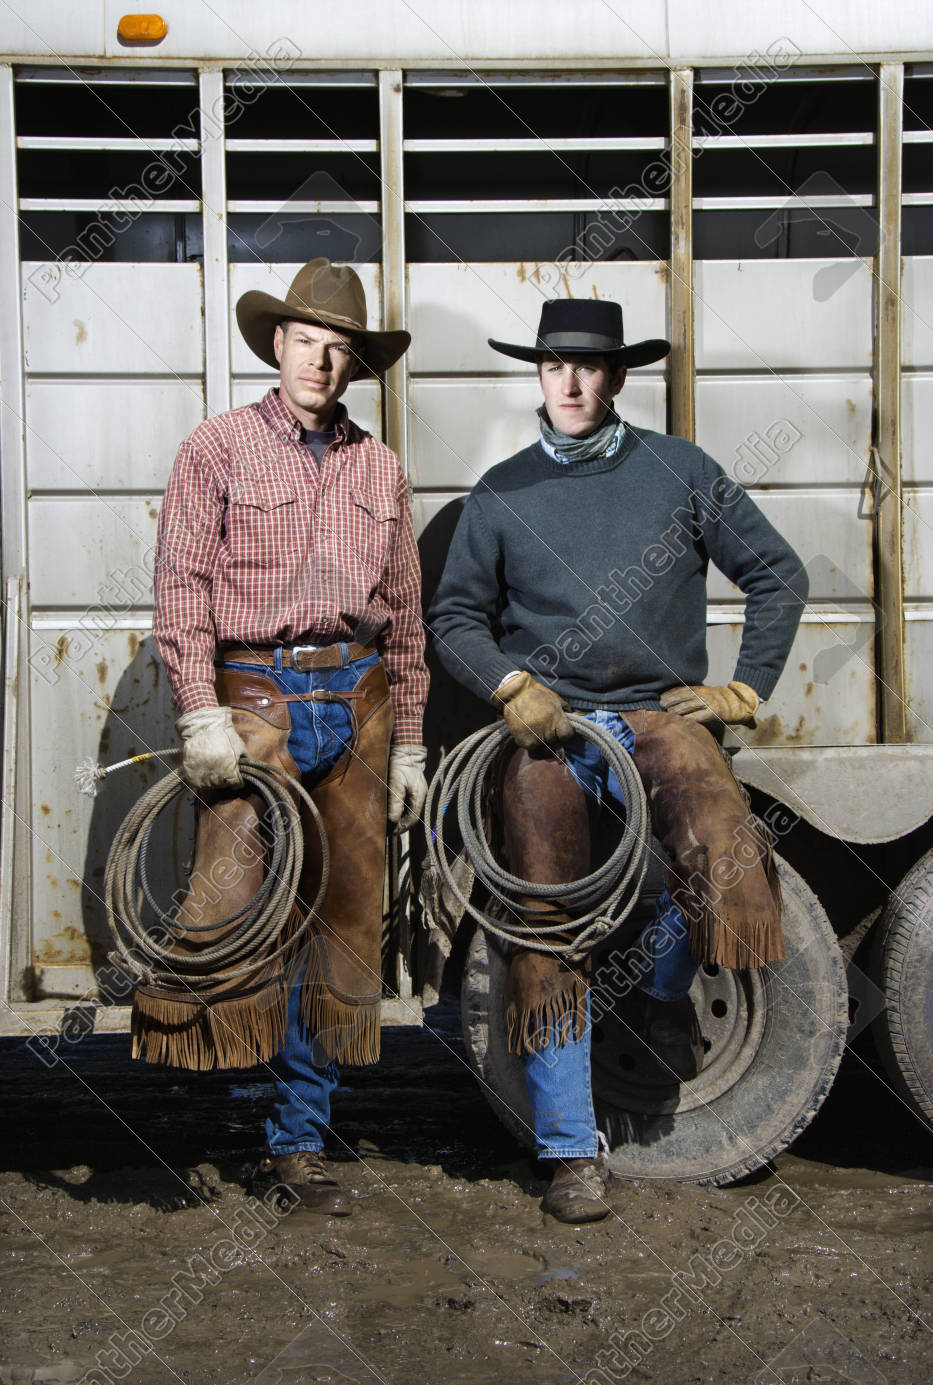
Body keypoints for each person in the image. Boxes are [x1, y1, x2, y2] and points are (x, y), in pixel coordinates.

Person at [429, 297, 807, 1223]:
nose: (569, 381)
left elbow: (776, 573)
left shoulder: (680, 472)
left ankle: (666, 991)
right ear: (537, 373)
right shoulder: (502, 493)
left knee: (717, 849)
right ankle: (568, 1151)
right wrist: (510, 686)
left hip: (657, 711)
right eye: (555, 363)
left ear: (618, 377)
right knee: (546, 903)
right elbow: (452, 619)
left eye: (589, 367)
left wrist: (743, 690)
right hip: (549, 726)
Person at [150, 258, 429, 1214]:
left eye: (338, 347)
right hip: (253, 700)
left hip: (357, 699)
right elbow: (182, 591)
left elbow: (405, 619)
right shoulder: (216, 449)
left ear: (354, 363)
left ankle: (296, 1143)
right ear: (277, 346)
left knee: (340, 924)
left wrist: (412, 746)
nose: (320, 359)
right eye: (306, 341)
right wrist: (197, 710)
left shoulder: (381, 469)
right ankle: (215, 1095)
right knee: (230, 910)